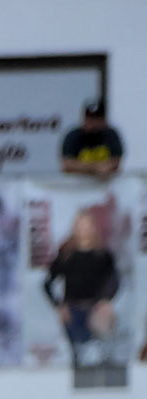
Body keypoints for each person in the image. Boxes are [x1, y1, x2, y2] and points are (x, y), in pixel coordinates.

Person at [44, 211, 119, 366]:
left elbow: (114, 281)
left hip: (95, 309)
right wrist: (59, 306)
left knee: (98, 347)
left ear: (93, 228)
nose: (83, 230)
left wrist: (105, 301)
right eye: (80, 226)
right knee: (77, 354)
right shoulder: (66, 254)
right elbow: (47, 283)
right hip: (73, 310)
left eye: (87, 226)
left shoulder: (103, 255)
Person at [60, 100, 124, 179]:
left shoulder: (110, 135)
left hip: (105, 184)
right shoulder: (73, 136)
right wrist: (96, 167)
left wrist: (81, 166)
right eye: (89, 117)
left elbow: (115, 162)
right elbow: (68, 165)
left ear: (103, 119)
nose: (92, 122)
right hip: (77, 184)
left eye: (96, 118)